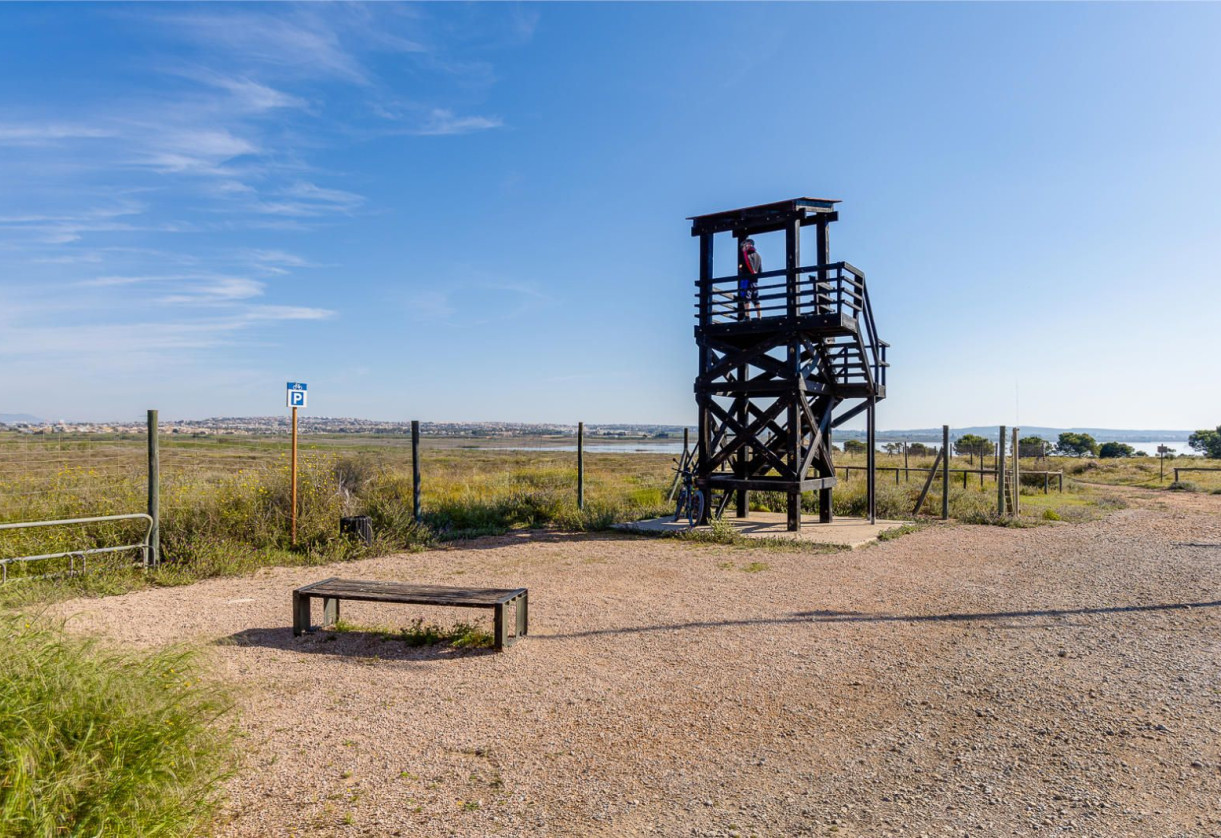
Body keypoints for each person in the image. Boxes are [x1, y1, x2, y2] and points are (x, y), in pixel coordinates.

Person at [738, 238, 762, 320]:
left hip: (747, 279)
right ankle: (759, 317)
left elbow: (748, 264)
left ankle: (747, 316)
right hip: (754, 281)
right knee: (756, 299)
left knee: (746, 297)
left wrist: (741, 268)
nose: (743, 247)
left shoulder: (746, 255)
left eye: (745, 245)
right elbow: (760, 271)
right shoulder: (758, 256)